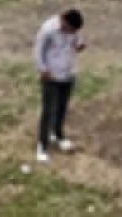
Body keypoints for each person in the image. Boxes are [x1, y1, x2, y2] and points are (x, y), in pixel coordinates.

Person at [33, 9, 85, 163]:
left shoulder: (73, 30)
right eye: (69, 29)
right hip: (52, 75)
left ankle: (58, 134)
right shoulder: (48, 30)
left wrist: (79, 45)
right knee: (48, 110)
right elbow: (38, 50)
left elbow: (77, 41)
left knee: (62, 107)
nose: (71, 32)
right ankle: (42, 145)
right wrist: (43, 69)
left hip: (68, 73)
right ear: (63, 21)